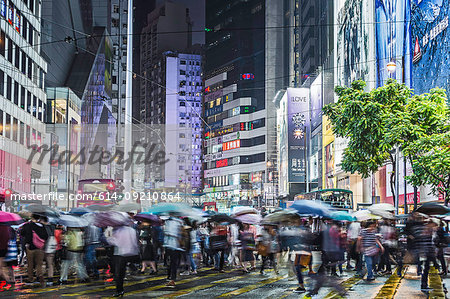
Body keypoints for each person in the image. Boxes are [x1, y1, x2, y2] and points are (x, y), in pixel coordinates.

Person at [107, 224, 140, 297]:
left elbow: (114, 242)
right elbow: (135, 242)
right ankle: (120, 290)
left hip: (120, 253)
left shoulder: (118, 231)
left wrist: (109, 238)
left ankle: (119, 290)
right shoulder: (132, 230)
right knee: (121, 272)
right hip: (130, 253)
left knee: (118, 273)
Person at [20, 214, 48, 286]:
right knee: (39, 264)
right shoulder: (42, 226)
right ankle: (39, 276)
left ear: (32, 217)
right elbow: (46, 236)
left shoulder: (28, 225)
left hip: (30, 248)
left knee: (30, 264)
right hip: (40, 248)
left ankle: (31, 278)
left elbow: (22, 233)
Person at [163, 215, 184, 287]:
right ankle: (172, 278)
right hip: (172, 245)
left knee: (171, 262)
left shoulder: (171, 222)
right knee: (173, 262)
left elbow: (179, 234)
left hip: (172, 245)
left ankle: (171, 278)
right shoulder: (177, 222)